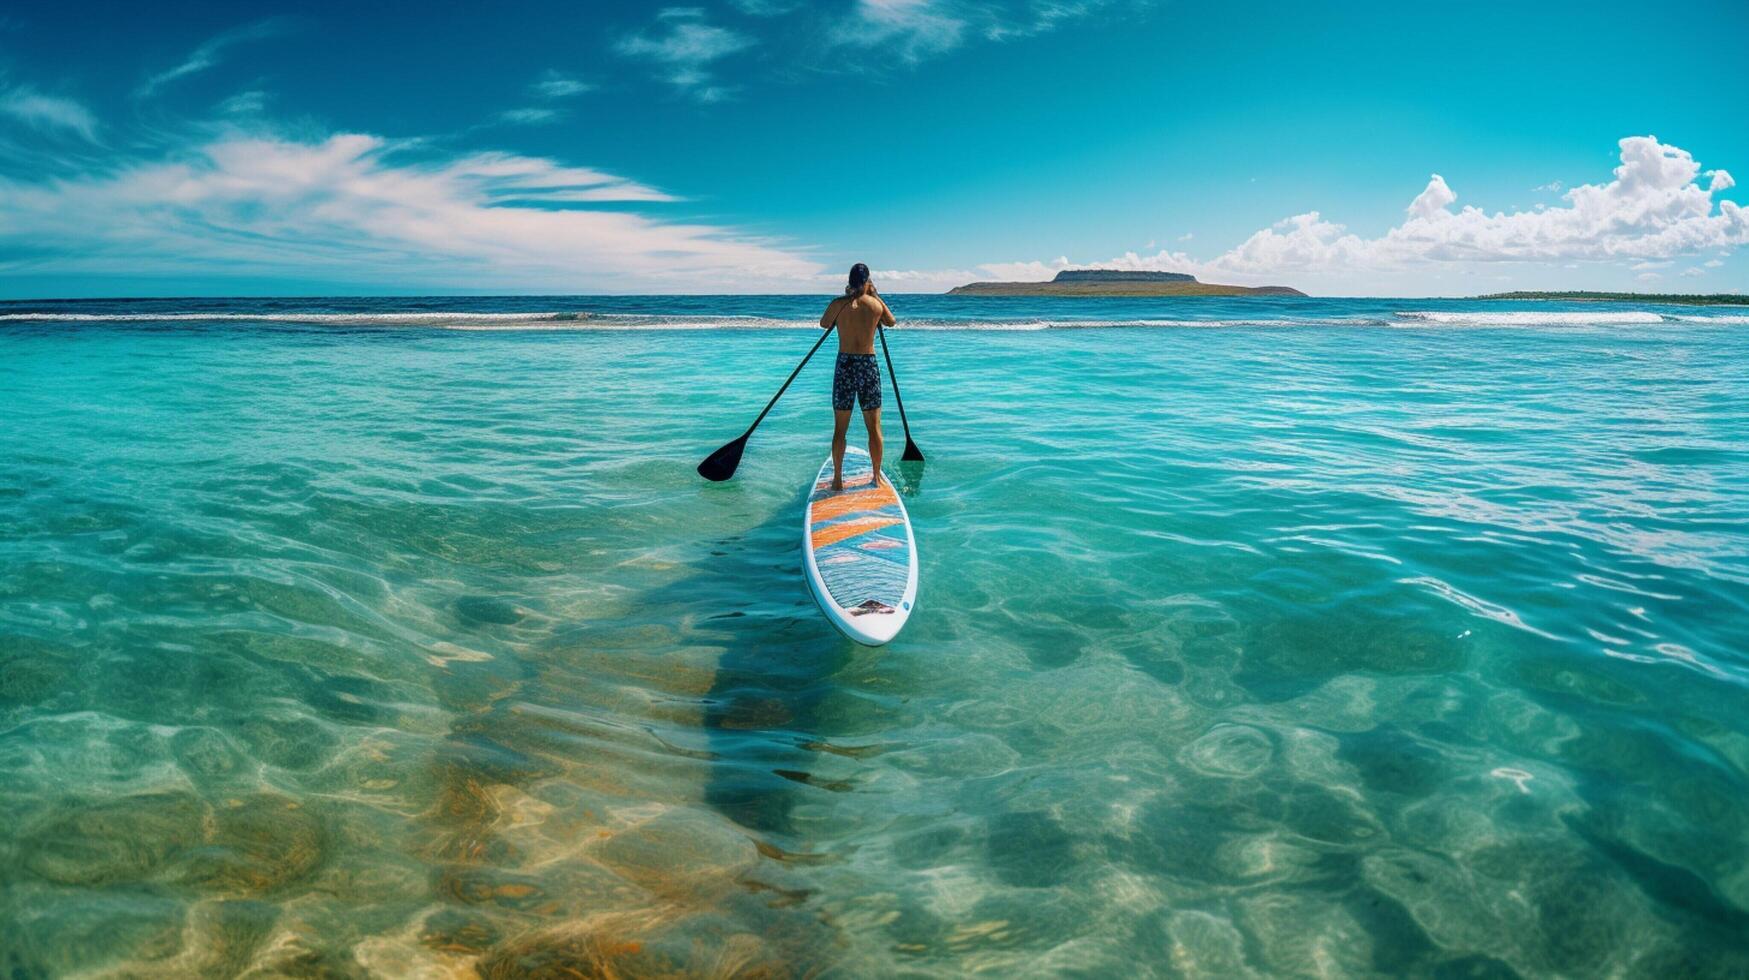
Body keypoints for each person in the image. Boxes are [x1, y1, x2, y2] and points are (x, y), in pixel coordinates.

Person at [819, 263, 895, 491]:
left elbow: (824, 323)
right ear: (867, 281)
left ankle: (838, 480)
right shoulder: (875, 305)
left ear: (849, 282)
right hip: (867, 366)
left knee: (840, 428)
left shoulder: (838, 305)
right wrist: (875, 294)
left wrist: (846, 300)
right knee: (874, 427)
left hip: (845, 365)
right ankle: (875, 477)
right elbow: (891, 322)